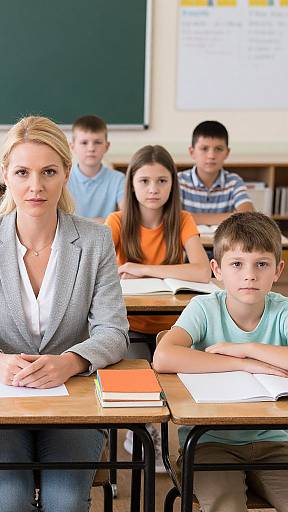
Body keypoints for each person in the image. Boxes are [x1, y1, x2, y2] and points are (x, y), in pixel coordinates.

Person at [0, 116, 129, 512]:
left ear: (66, 173)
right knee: (10, 497)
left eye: (48, 172)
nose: (36, 186)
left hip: (72, 400)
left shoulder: (95, 240)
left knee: (64, 499)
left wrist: (71, 362)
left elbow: (114, 331)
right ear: (5, 175)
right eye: (23, 172)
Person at [153, 211, 288, 512]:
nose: (249, 275)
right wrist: (242, 364)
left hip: (276, 442)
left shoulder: (282, 311)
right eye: (237, 264)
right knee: (226, 507)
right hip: (210, 443)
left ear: (278, 270)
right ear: (217, 269)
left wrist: (247, 348)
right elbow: (163, 356)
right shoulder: (204, 308)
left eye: (261, 264)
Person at [105, 144, 210, 466]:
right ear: (132, 184)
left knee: (180, 387)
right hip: (131, 324)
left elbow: (202, 271)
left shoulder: (182, 219)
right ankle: (144, 431)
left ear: (172, 185)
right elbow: (101, 273)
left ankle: (171, 436)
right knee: (136, 386)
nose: (153, 189)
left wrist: (144, 268)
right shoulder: (118, 221)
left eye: (162, 181)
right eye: (145, 181)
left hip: (174, 327)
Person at [178, 120, 254, 226]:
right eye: (204, 149)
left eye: (218, 149)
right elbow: (174, 217)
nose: (211, 156)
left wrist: (191, 217)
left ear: (227, 153)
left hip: (224, 242)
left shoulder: (234, 181)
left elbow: (248, 215)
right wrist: (232, 216)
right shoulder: (179, 181)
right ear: (192, 152)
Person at [68, 114, 125, 222]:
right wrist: (101, 221)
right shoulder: (63, 179)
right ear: (72, 147)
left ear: (106, 146)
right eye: (84, 143)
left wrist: (79, 222)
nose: (91, 148)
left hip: (107, 237)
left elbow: (126, 217)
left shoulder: (119, 180)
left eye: (97, 142)